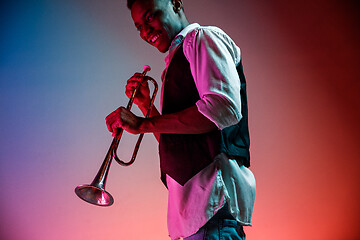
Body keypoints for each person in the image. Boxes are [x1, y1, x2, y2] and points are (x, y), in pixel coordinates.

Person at [105, 0, 256, 239]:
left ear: (175, 4)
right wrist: (146, 106)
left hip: (211, 210)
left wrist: (143, 125)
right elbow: (176, 140)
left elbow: (225, 107)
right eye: (138, 27)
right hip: (192, 217)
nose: (145, 31)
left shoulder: (202, 38)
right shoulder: (177, 58)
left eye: (149, 17)